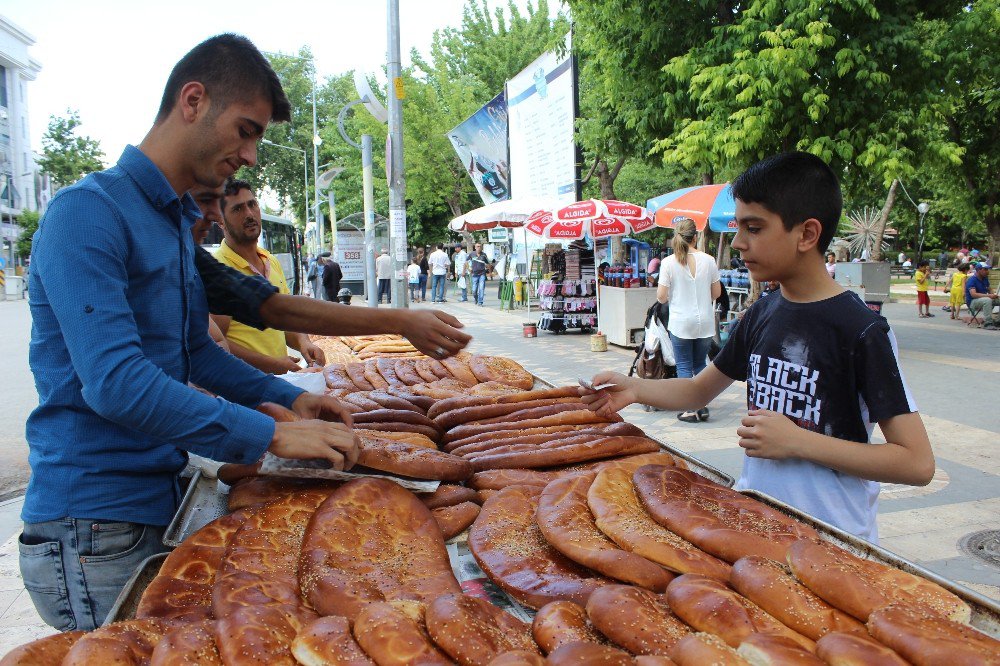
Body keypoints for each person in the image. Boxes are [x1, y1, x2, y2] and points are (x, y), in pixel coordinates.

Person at [21, 34, 361, 631]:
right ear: (194, 100)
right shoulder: (88, 212)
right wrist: (270, 436)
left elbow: (195, 355)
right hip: (93, 527)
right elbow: (117, 384)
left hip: (153, 504)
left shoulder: (172, 222)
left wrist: (292, 399)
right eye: (246, 129)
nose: (251, 155)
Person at [581, 152, 934, 542]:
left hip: (834, 540)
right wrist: (633, 388)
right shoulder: (763, 311)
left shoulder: (862, 330)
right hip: (756, 522)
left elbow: (916, 463)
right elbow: (699, 389)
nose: (738, 242)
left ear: (807, 234)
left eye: (754, 228)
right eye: (738, 227)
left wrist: (799, 442)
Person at [212, 179, 326, 373]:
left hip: (278, 385)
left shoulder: (270, 260)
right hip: (244, 390)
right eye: (238, 209)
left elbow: (284, 319)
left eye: (252, 204)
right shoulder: (218, 271)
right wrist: (271, 364)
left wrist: (303, 341)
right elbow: (215, 343)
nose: (249, 214)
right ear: (220, 220)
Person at [655, 218, 721, 423]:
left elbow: (661, 297)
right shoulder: (709, 260)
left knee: (684, 365)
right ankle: (701, 405)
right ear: (695, 237)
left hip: (681, 322)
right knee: (700, 364)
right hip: (704, 322)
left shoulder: (668, 262)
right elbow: (716, 292)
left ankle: (691, 409)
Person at [965, 261, 999, 328]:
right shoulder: (972, 280)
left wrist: (994, 295)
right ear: (978, 270)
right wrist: (989, 296)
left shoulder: (985, 278)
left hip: (983, 299)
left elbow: (989, 289)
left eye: (987, 269)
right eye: (985, 269)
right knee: (987, 300)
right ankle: (988, 323)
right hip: (972, 302)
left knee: (995, 300)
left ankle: (998, 321)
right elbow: (973, 294)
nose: (987, 271)